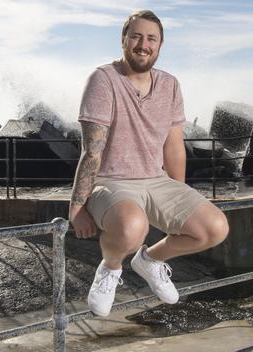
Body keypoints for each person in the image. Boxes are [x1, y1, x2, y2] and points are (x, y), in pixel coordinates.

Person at [69, 10, 229, 317]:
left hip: (156, 180)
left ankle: (151, 260)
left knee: (214, 228)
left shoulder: (170, 84)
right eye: (137, 37)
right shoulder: (103, 80)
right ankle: (110, 268)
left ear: (160, 45)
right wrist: (76, 210)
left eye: (151, 39)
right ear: (124, 40)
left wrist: (178, 201)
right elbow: (92, 151)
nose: (144, 44)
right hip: (111, 181)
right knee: (133, 227)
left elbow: (173, 144)